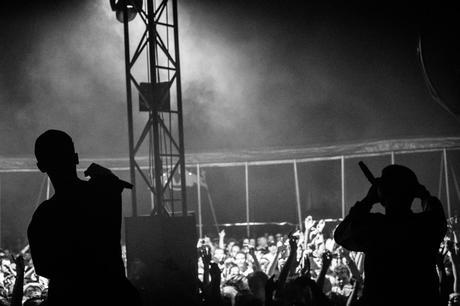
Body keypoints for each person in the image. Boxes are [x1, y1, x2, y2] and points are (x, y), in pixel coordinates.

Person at [27, 130, 140, 306]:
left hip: (70, 299)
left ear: (41, 166)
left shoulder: (44, 216)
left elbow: (43, 267)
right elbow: (112, 185)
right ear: (76, 158)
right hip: (114, 296)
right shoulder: (104, 192)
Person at [334, 164, 447, 306]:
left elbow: (341, 235)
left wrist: (368, 200)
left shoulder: (375, 226)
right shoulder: (424, 225)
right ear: (413, 192)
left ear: (381, 194)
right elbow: (437, 215)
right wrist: (424, 194)